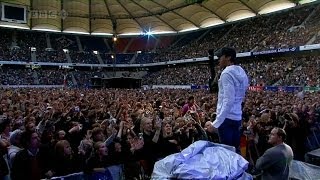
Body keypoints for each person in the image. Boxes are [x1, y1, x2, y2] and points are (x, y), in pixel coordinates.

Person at [212, 47, 249, 152]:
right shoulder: (241, 71)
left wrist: (217, 123)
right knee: (235, 149)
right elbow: (242, 93)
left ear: (228, 57)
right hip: (237, 117)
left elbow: (228, 100)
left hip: (226, 118)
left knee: (226, 151)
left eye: (220, 56)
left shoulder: (226, 73)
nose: (218, 59)